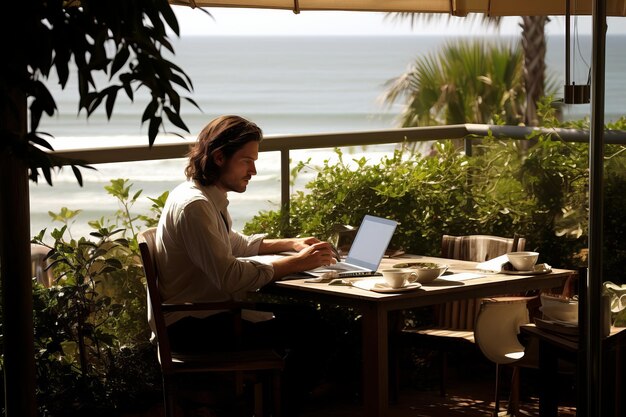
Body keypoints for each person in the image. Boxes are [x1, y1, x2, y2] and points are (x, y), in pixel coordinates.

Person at [153, 114, 337, 413]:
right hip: (193, 327)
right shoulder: (195, 206)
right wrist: (296, 262)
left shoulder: (201, 196)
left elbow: (235, 244)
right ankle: (275, 406)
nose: (253, 170)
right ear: (219, 157)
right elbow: (229, 276)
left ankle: (261, 402)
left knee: (307, 320)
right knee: (317, 332)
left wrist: (292, 244)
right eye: (246, 160)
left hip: (201, 318)